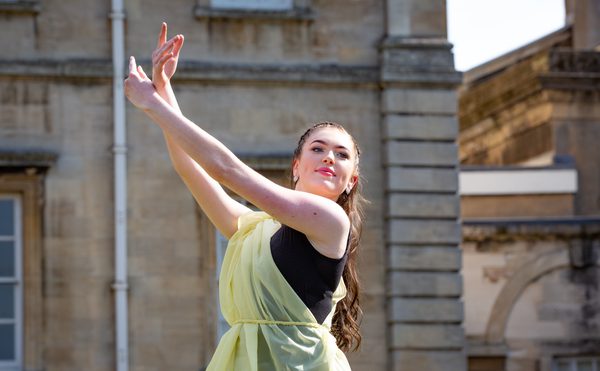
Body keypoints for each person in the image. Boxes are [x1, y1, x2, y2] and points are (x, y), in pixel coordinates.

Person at [124, 23, 365, 370]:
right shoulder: (254, 228)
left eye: (342, 154)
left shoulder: (331, 221)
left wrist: (152, 105)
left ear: (350, 181)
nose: (329, 157)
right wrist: (163, 89)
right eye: (318, 148)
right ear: (296, 166)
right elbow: (190, 168)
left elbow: (226, 169)